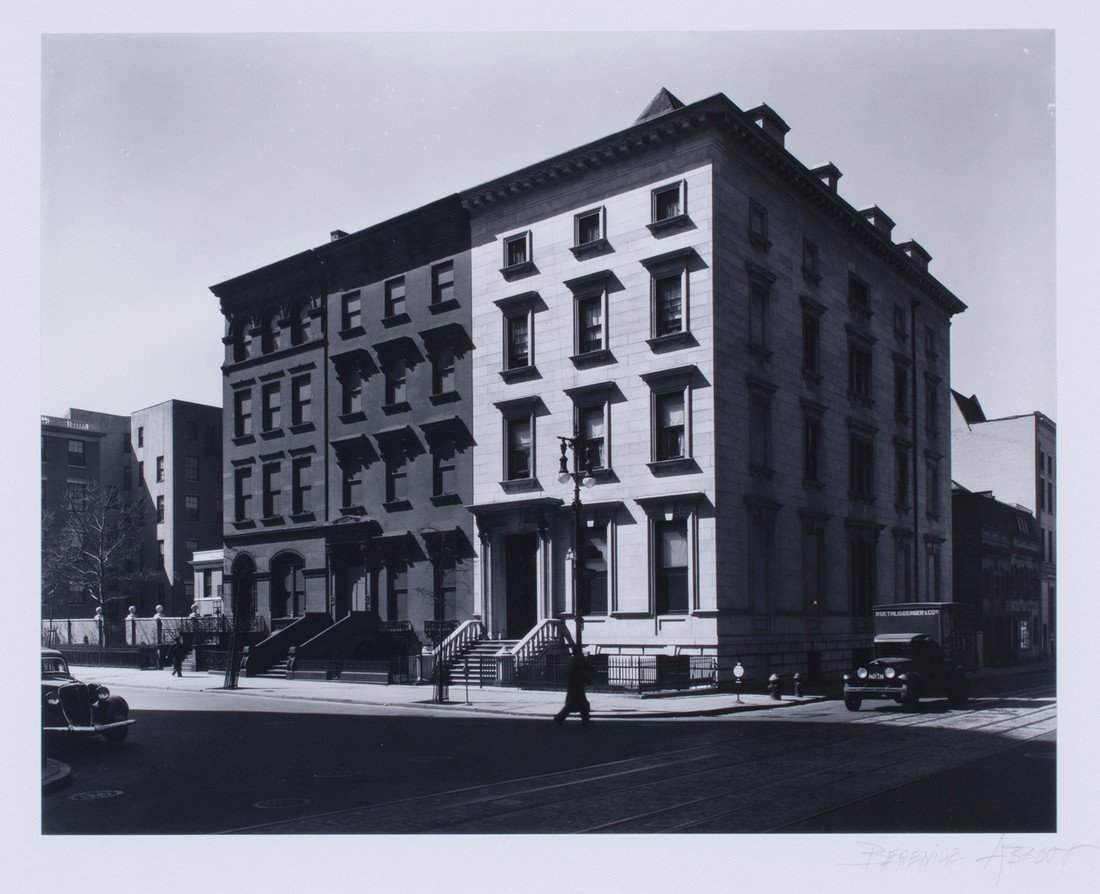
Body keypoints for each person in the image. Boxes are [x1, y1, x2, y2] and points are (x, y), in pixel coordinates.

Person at [554, 646, 591, 724]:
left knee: (578, 704)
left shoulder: (575, 660)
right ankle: (559, 718)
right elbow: (581, 671)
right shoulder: (577, 660)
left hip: (575, 686)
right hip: (576, 686)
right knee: (578, 704)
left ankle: (585, 719)